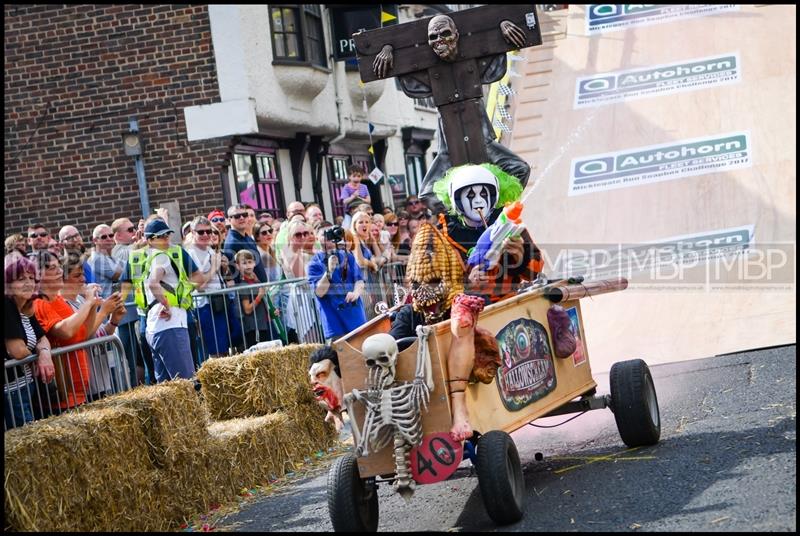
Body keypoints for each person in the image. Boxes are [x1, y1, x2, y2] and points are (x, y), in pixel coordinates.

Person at [31, 250, 96, 412]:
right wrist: (88, 303)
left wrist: (94, 305)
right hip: (60, 394)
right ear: (38, 275)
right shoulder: (39, 303)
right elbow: (65, 332)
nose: (60, 271)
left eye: (59, 266)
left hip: (78, 391)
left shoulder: (58, 300)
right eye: (52, 268)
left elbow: (83, 334)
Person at [61, 252, 126, 399]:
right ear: (63, 279)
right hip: (85, 379)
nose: (83, 279)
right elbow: (83, 334)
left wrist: (113, 320)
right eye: (77, 276)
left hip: (101, 375)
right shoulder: (63, 304)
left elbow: (98, 333)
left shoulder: (80, 299)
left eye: (83, 274)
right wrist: (103, 312)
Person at [141, 219, 196, 382]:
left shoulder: (147, 259)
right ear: (150, 240)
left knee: (167, 389)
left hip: (155, 327)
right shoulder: (162, 257)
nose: (166, 239)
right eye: (160, 236)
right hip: (169, 326)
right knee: (186, 383)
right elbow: (153, 283)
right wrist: (165, 305)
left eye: (167, 235)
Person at [4, 256, 55, 429]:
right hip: (10, 390)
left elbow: (42, 338)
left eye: (32, 278)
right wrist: (37, 355)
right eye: (21, 279)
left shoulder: (26, 306)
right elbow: (17, 351)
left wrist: (45, 355)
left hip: (26, 385)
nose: (28, 283)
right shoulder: (6, 305)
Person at [307, 226, 367, 341]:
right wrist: (329, 272)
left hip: (356, 317)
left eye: (331, 235)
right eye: (325, 235)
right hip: (334, 322)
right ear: (317, 238)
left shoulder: (347, 256)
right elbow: (319, 292)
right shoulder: (314, 263)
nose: (329, 239)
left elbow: (359, 280)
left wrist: (355, 293)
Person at [186, 216, 229, 360]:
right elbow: (198, 285)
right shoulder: (190, 254)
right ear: (192, 232)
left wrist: (224, 267)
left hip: (218, 302)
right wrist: (214, 268)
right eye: (201, 232)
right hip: (204, 305)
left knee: (223, 348)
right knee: (214, 350)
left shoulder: (210, 250)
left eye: (208, 231)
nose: (206, 235)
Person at [234, 249, 279, 349]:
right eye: (244, 263)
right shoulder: (243, 285)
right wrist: (259, 297)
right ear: (238, 266)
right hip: (254, 328)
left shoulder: (256, 281)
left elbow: (265, 302)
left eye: (250, 262)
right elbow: (247, 309)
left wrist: (272, 312)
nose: (248, 265)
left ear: (254, 263)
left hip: (265, 324)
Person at [222, 204, 269, 284]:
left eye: (244, 215)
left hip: (259, 289)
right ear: (229, 220)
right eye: (237, 216)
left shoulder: (247, 237)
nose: (242, 218)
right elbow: (242, 273)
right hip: (250, 292)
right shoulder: (233, 242)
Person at [88, 224, 125, 298]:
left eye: (111, 235)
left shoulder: (109, 257)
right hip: (105, 304)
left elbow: (128, 266)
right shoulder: (97, 259)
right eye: (104, 237)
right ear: (95, 240)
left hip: (113, 303)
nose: (109, 239)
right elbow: (121, 275)